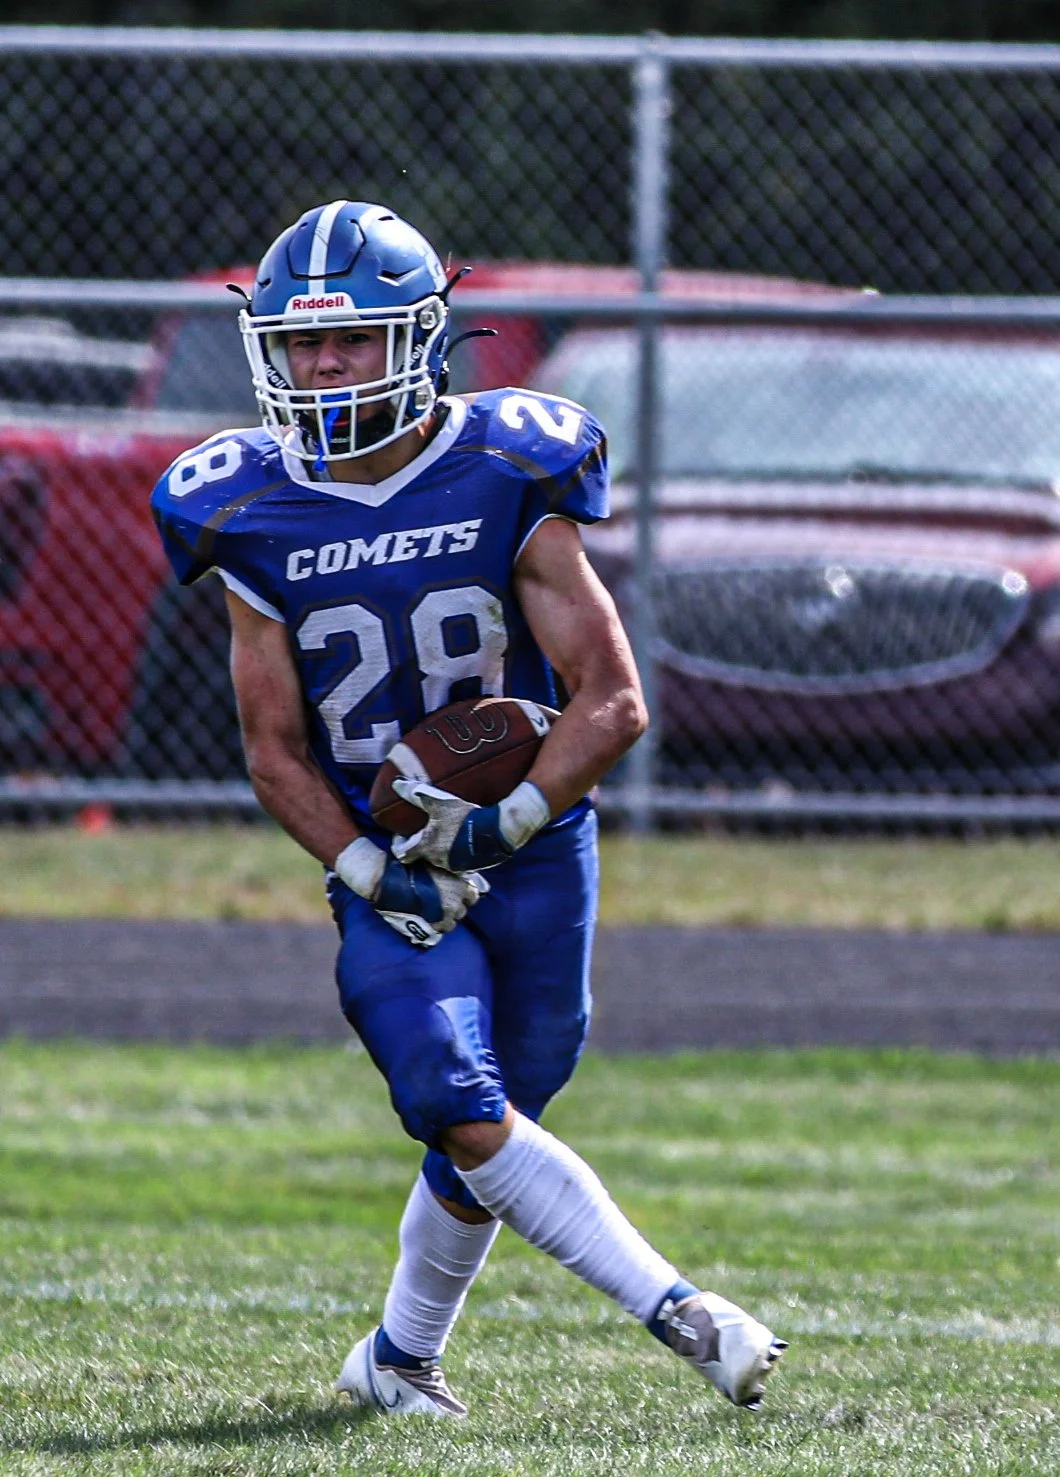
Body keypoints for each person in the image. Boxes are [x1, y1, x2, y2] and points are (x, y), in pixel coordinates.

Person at [150, 199, 787, 1418]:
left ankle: (397, 1360)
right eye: (300, 343)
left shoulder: (507, 464)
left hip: (535, 841)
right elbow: (274, 752)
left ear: (421, 339)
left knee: (512, 1097)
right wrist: (369, 871)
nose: (323, 367)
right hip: (385, 855)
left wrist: (505, 822)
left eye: (351, 339)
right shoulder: (241, 504)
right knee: (453, 1094)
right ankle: (682, 1311)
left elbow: (612, 699)